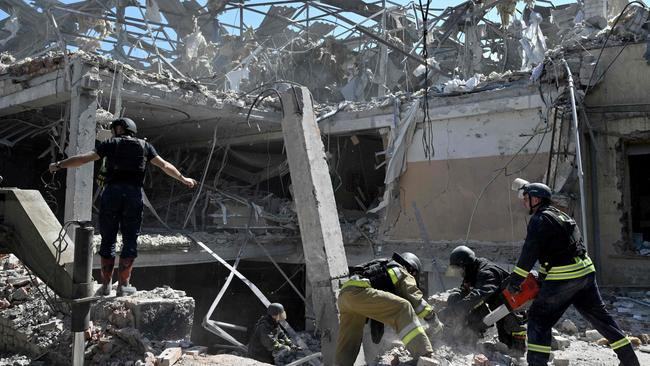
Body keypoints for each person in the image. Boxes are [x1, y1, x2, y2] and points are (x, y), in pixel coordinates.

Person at [49, 118, 197, 296]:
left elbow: (83, 159)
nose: (113, 132)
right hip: (133, 196)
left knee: (108, 238)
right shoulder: (145, 146)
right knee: (130, 239)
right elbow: (164, 165)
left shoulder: (110, 143)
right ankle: (124, 285)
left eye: (114, 129)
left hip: (112, 195)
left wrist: (59, 165)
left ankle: (105, 285)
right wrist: (183, 179)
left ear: (120, 128)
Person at [508, 180, 640, 366]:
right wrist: (543, 276)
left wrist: (515, 281)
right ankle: (630, 361)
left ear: (536, 199)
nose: (524, 202)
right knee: (602, 319)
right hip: (585, 273)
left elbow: (529, 254)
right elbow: (564, 249)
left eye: (526, 198)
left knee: (539, 319)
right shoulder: (561, 215)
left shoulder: (539, 220)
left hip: (564, 277)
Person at [335, 252, 443, 366]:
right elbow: (415, 299)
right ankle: (424, 354)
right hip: (360, 291)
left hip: (345, 296)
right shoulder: (402, 271)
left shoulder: (385, 266)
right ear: (413, 270)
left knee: (350, 339)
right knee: (403, 307)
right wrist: (432, 318)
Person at [439, 245, 526, 351]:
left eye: (459, 269)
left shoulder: (487, 273)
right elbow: (465, 291)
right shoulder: (472, 271)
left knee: (510, 346)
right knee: (456, 297)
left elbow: (477, 296)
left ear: (465, 265)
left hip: (510, 307)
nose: (460, 274)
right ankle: (465, 335)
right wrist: (454, 302)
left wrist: (452, 311)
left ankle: (519, 355)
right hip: (498, 306)